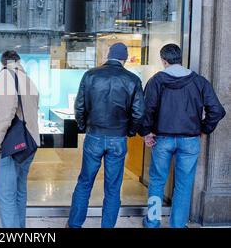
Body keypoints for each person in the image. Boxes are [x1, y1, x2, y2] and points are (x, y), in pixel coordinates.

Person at [140, 44, 226, 228]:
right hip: (190, 140)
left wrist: (146, 132)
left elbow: (146, 110)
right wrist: (204, 129)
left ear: (164, 60)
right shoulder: (199, 81)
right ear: (180, 58)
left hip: (161, 139)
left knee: (156, 181)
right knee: (184, 185)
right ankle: (178, 225)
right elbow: (217, 110)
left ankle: (153, 222)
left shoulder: (156, 81)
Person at [67, 43, 145, 228]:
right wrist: (130, 131)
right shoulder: (133, 79)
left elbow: (79, 107)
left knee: (84, 182)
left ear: (108, 55)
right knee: (113, 188)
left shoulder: (91, 75)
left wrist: (83, 126)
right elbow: (139, 113)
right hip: (118, 138)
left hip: (94, 135)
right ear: (124, 58)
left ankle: (74, 225)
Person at [0, 50, 40, 228]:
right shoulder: (28, 79)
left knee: (5, 194)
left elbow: (5, 113)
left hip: (14, 146)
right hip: (31, 141)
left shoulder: (5, 76)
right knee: (20, 191)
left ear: (3, 63)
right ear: (18, 61)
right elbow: (35, 108)